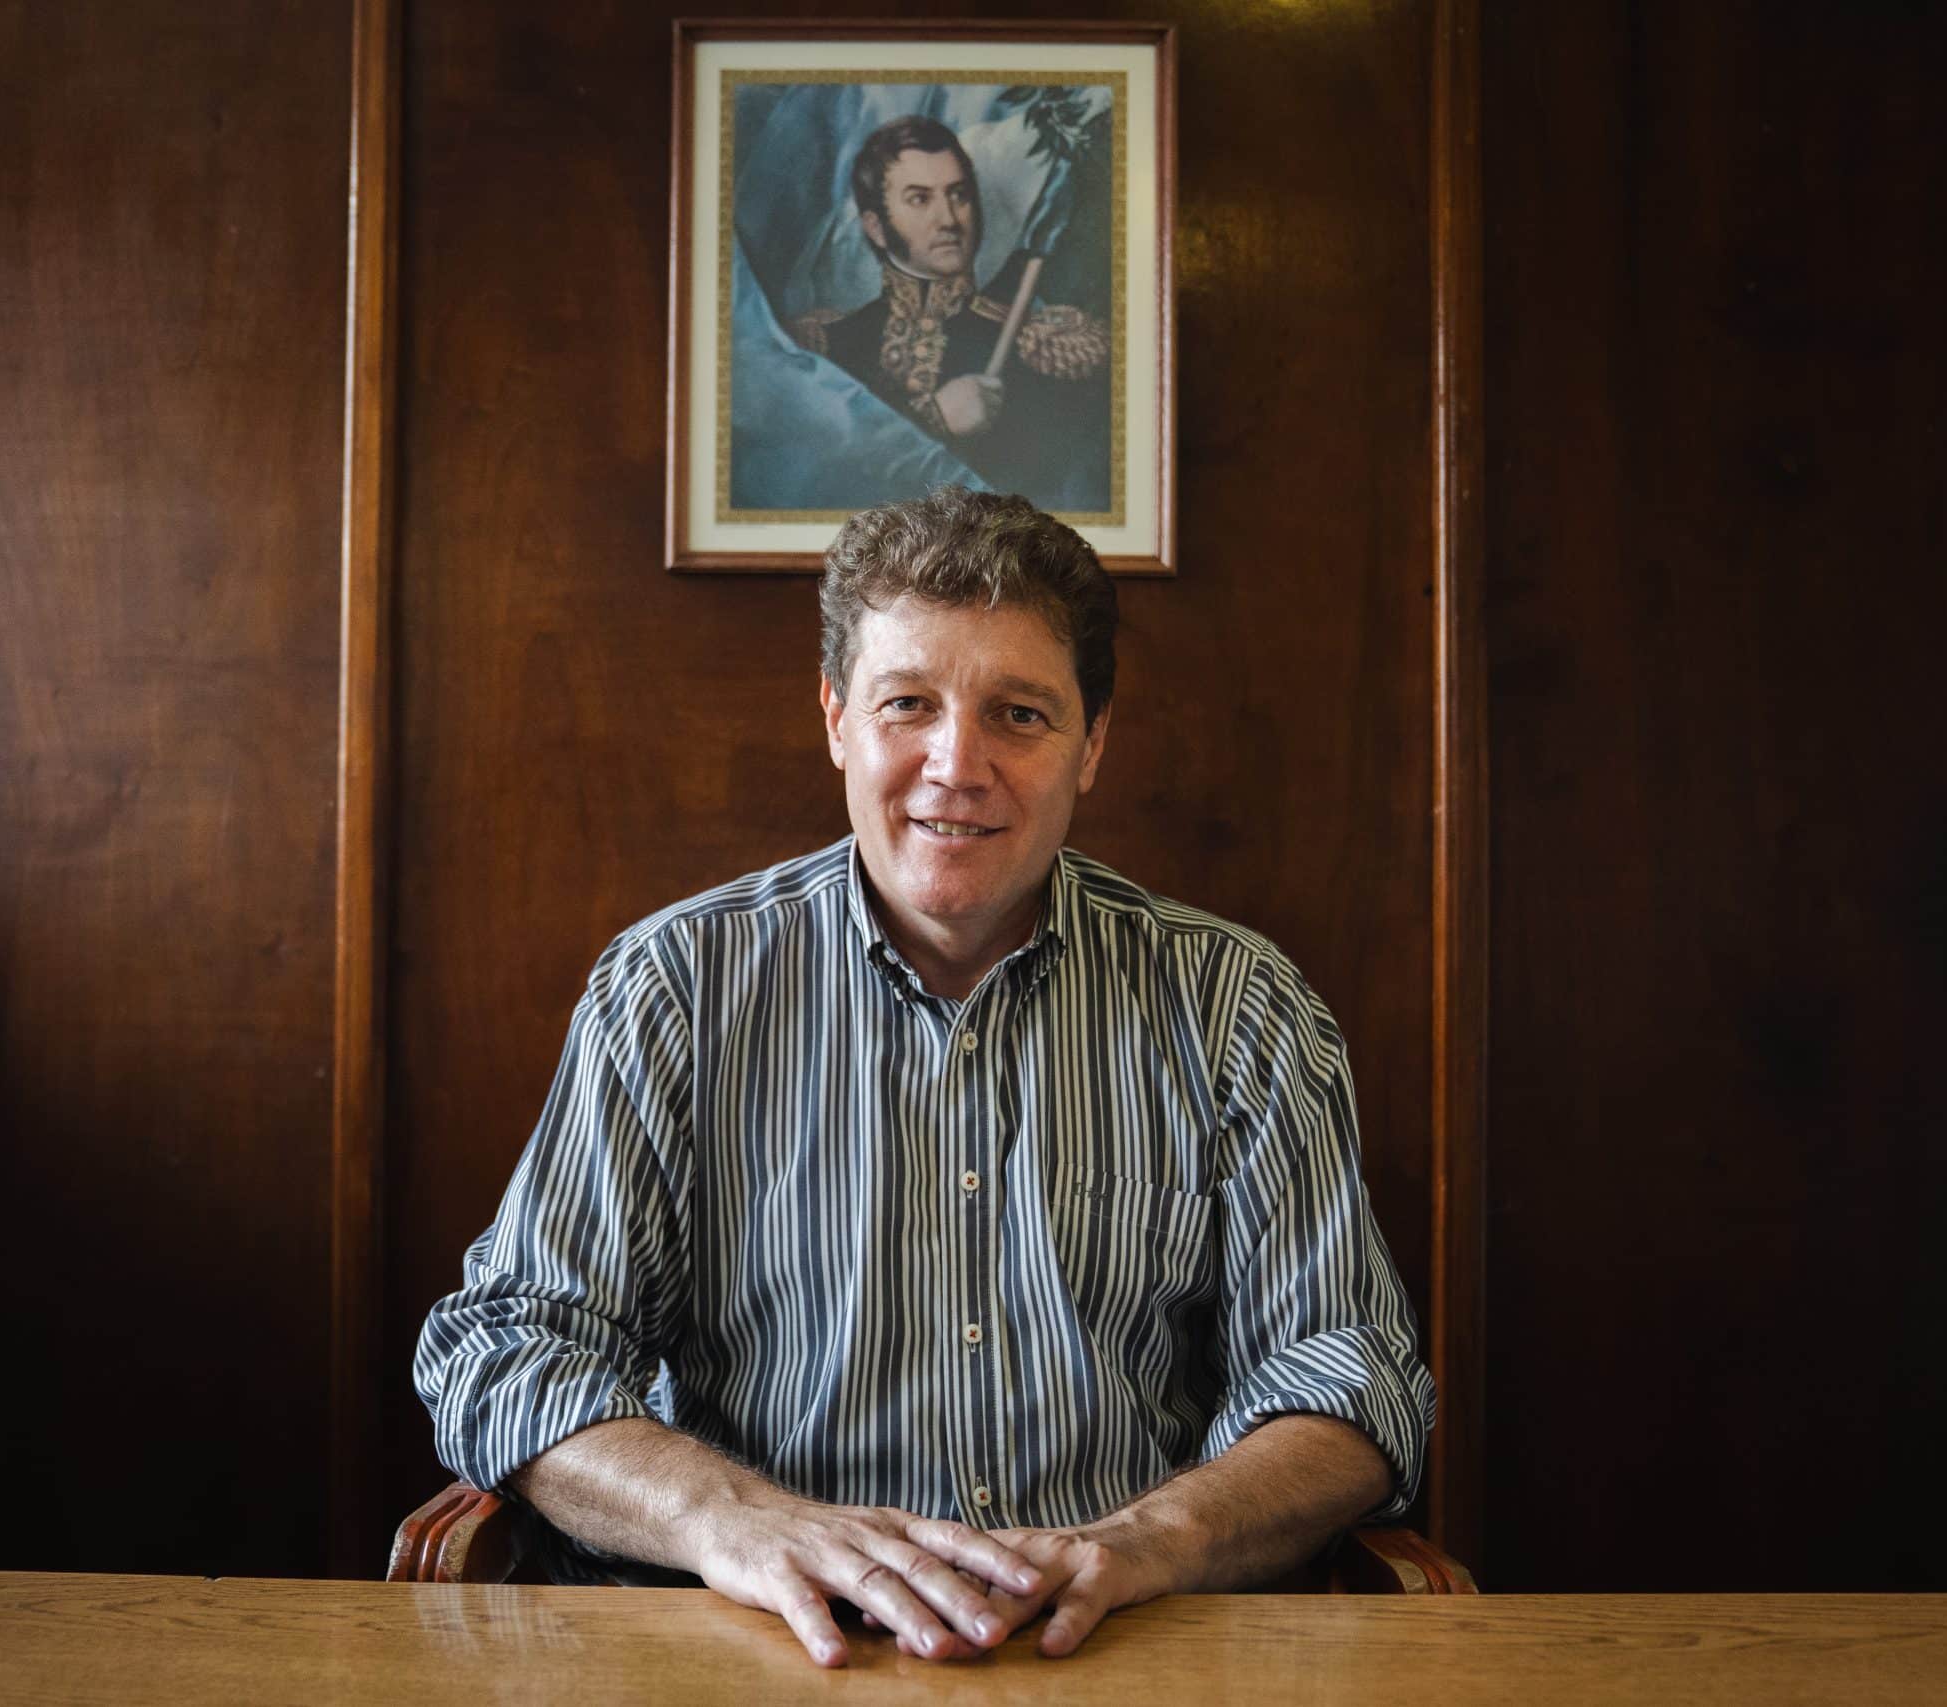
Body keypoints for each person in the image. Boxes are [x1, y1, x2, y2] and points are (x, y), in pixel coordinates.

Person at [415, 488, 1435, 1666]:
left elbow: (1350, 1375)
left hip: (1119, 1649)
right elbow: (511, 1351)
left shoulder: (1235, 1005)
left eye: (1019, 714)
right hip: (756, 1652)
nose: (957, 766)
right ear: (837, 720)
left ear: (1093, 743)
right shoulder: (675, 989)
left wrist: (1154, 1541)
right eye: (908, 704)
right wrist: (733, 1522)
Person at [787, 117, 1110, 508]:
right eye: (920, 199)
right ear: (875, 227)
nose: (949, 219)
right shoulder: (826, 345)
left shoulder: (1040, 347)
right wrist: (933, 418)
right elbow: (808, 473)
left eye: (958, 195)